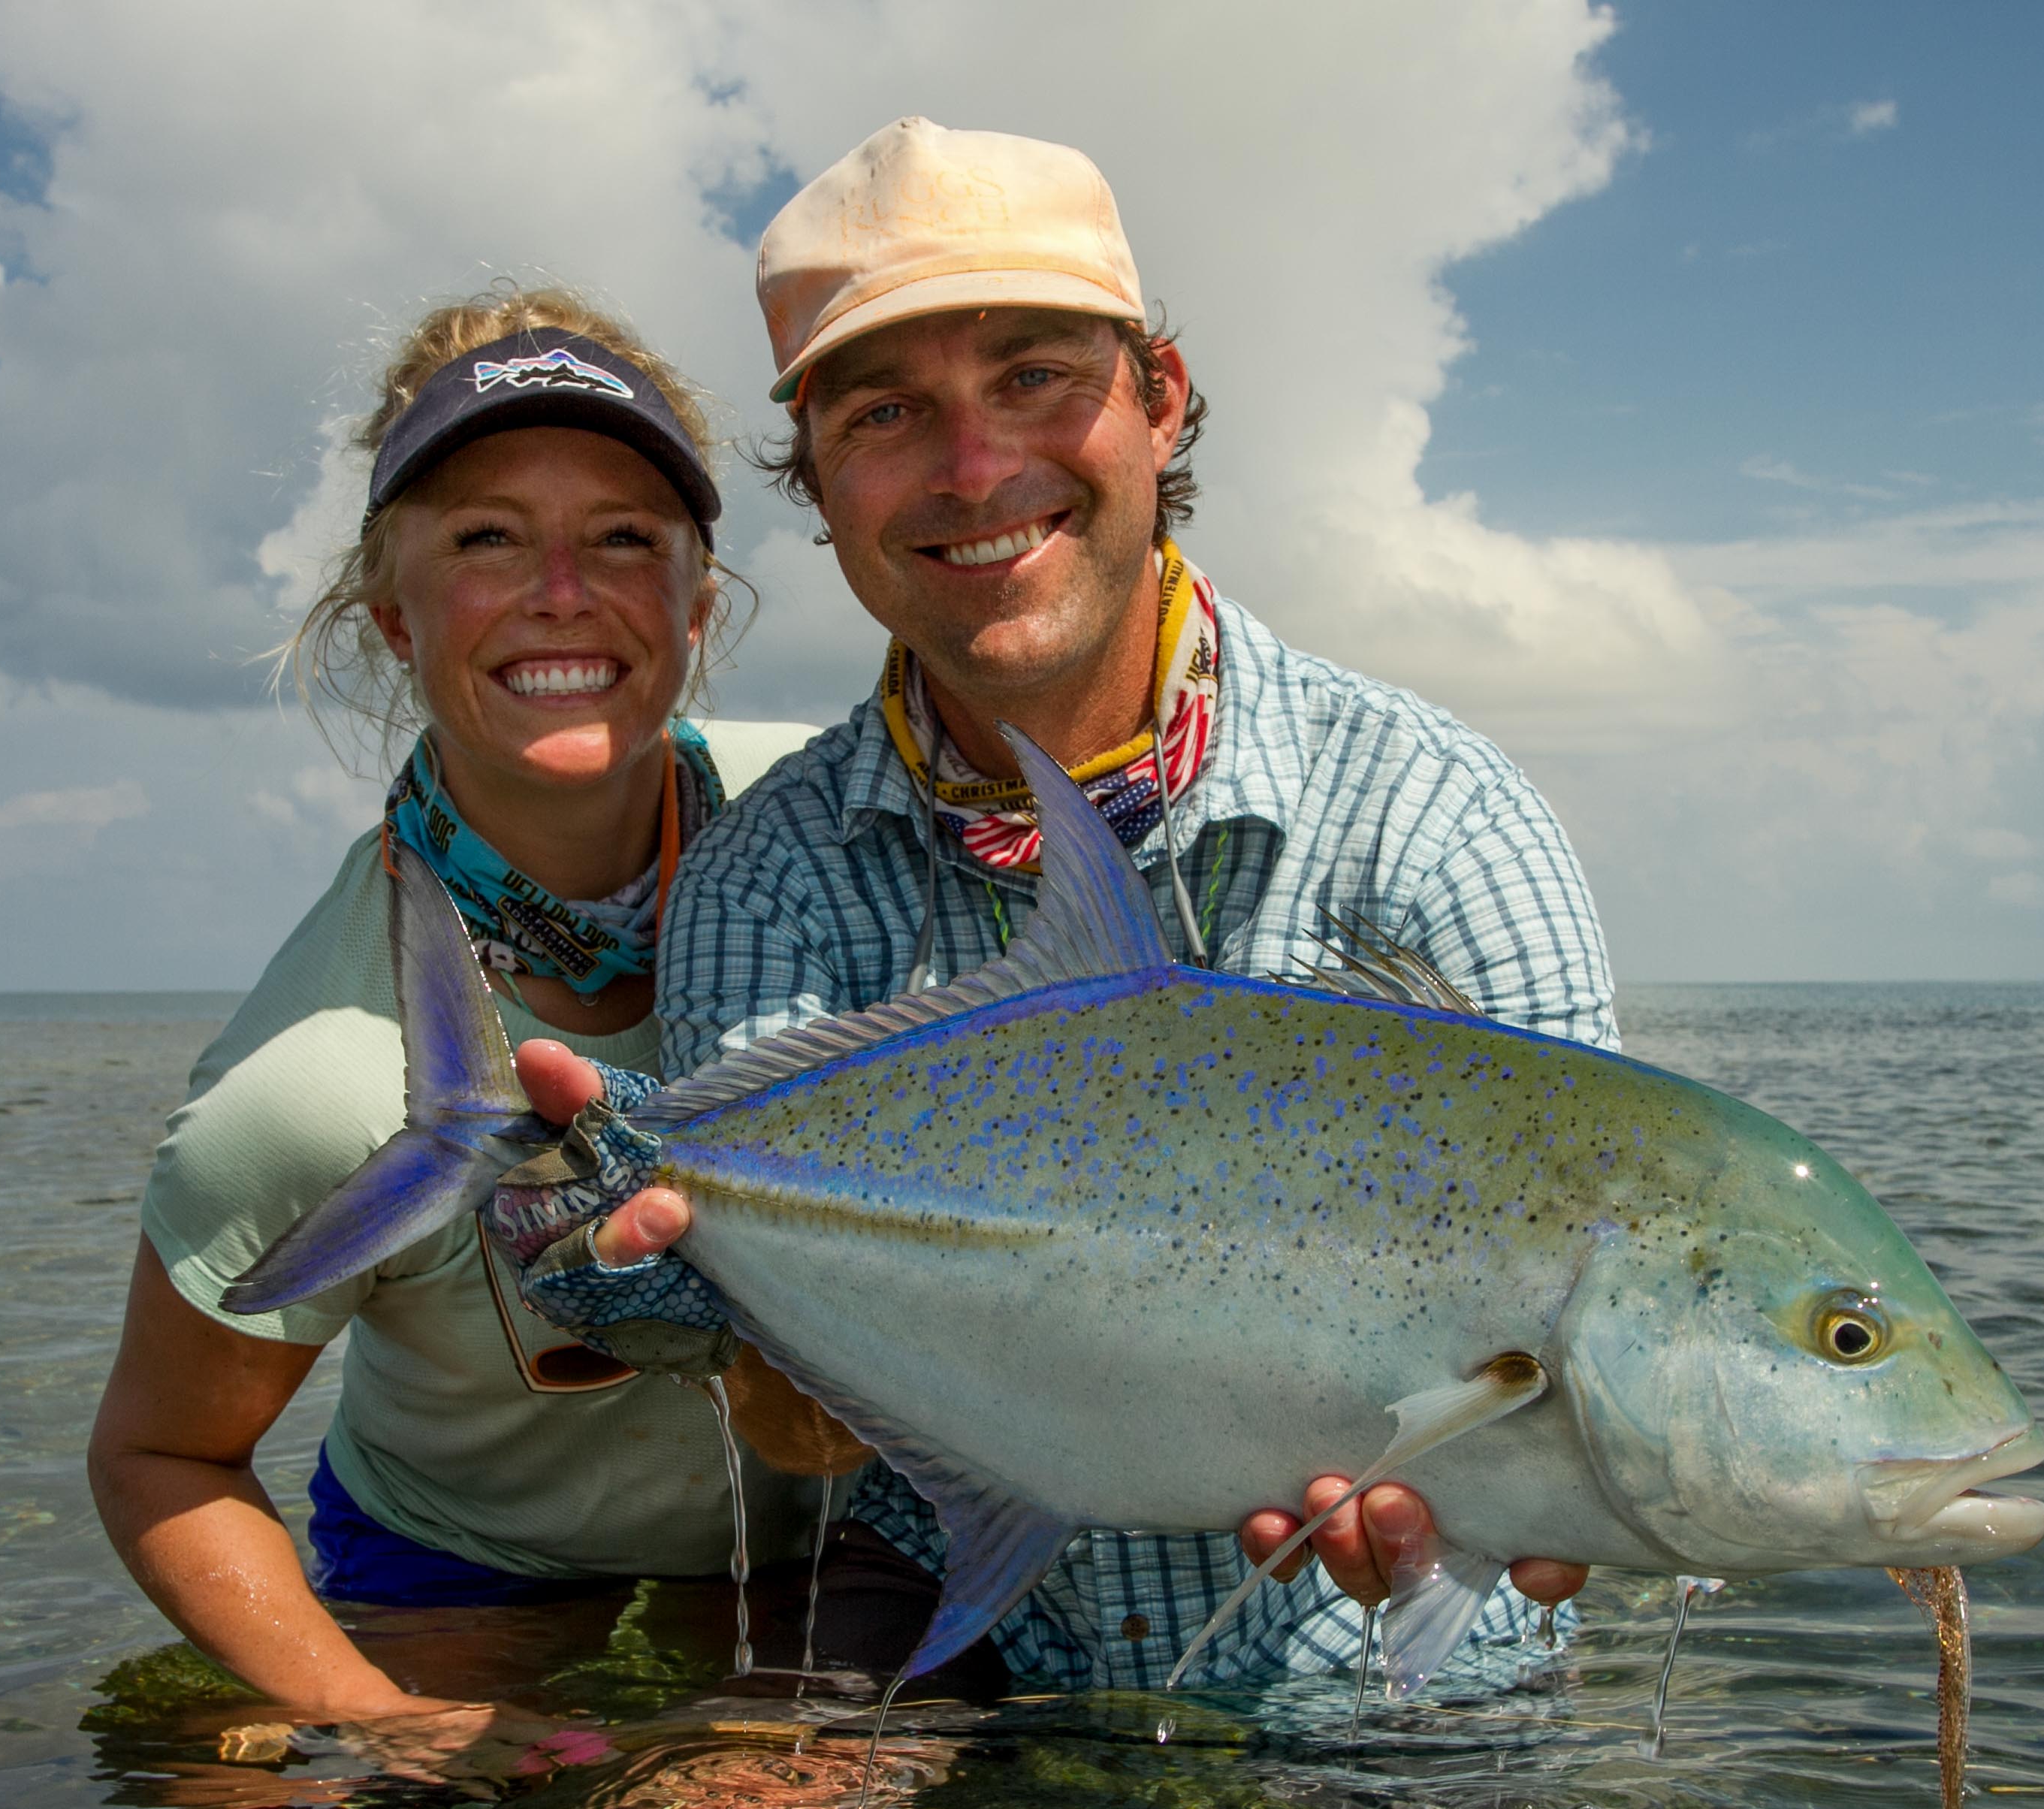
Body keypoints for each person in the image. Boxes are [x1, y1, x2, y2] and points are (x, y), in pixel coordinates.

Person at [521, 119, 1614, 1693]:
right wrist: (750, 1345)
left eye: (1037, 376)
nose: (974, 469)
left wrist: (1546, 1492)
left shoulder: (1439, 828)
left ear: (1158, 400)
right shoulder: (767, 878)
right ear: (816, 485)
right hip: (971, 1644)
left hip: (1397, 1665)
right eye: (887, 412)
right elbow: (794, 1390)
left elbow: (1558, 1318)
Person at [86, 287, 820, 1759]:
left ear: (697, 597)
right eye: (487, 536)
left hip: (818, 1541)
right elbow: (164, 1454)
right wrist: (382, 1718)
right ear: (391, 609)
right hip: (458, 1560)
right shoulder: (311, 1086)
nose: (562, 587)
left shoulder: (849, 836)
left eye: (623, 534)